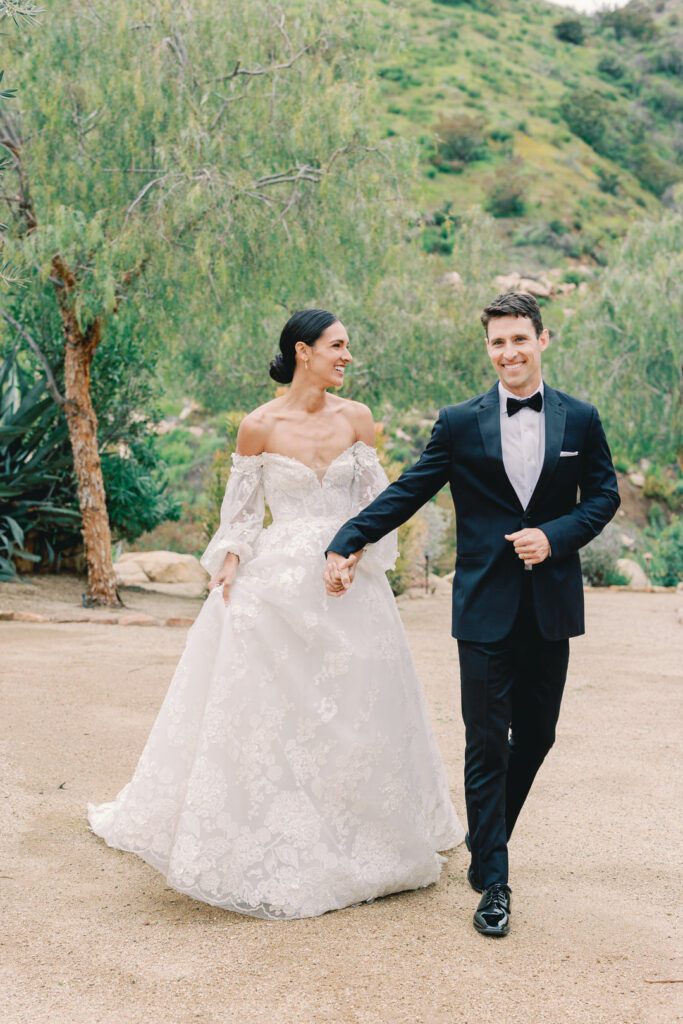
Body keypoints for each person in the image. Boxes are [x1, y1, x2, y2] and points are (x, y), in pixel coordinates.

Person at [87, 309, 464, 920]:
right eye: (337, 346)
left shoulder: (359, 420)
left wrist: (352, 555)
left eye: (347, 347)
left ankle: (366, 826)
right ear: (302, 351)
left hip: (348, 580)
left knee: (359, 705)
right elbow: (240, 519)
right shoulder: (256, 427)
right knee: (272, 707)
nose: (347, 356)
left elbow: (380, 506)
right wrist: (230, 562)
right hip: (278, 581)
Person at [325, 292, 620, 938]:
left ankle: (486, 837)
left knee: (535, 736)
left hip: (550, 605)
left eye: (518, 339)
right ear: (487, 349)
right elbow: (410, 488)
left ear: (542, 340)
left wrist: (557, 535)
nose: (508, 353)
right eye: (496, 343)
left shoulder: (580, 419)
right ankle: (494, 880)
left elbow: (603, 493)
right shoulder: (459, 423)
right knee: (485, 742)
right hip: (482, 605)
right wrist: (348, 537)